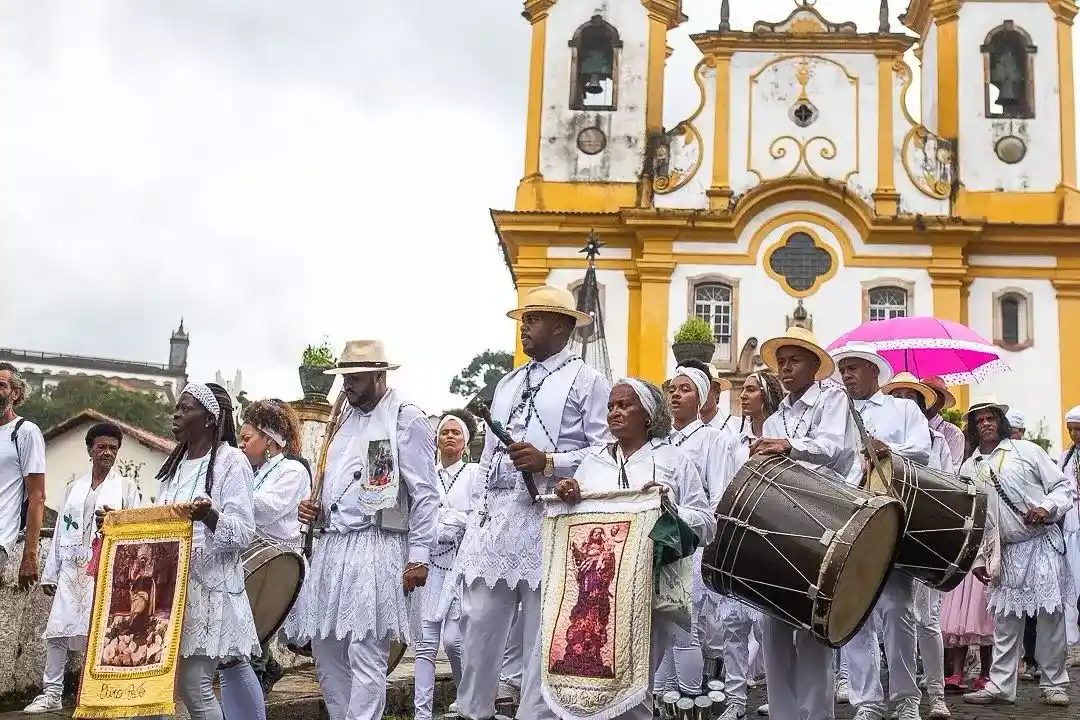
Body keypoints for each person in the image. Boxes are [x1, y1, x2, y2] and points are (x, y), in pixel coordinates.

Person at [454, 285, 610, 720]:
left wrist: (550, 462)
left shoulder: (588, 381)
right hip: (499, 517)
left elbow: (605, 452)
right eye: (524, 320)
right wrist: (478, 513)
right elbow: (486, 457)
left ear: (561, 327)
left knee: (545, 628)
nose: (525, 328)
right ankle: (473, 710)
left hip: (554, 515)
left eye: (534, 319)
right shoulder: (506, 382)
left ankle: (536, 714)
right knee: (480, 616)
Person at [289, 340, 439, 720]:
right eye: (344, 378)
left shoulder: (407, 419)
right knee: (325, 650)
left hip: (378, 544)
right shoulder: (342, 423)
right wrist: (316, 511)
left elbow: (425, 494)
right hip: (333, 545)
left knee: (365, 651)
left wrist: (418, 557)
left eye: (355, 377)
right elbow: (337, 489)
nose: (347, 386)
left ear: (379, 375)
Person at [554, 378, 714, 720]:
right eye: (611, 405)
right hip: (597, 597)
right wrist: (567, 494)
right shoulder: (593, 462)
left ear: (648, 414)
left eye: (625, 405)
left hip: (649, 591)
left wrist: (668, 506)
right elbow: (578, 525)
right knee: (593, 680)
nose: (615, 412)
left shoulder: (673, 460)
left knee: (636, 682)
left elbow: (706, 523)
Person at [750, 326, 854, 720]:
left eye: (794, 361)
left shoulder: (832, 401)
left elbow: (834, 449)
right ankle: (783, 713)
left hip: (824, 519)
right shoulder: (776, 417)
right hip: (782, 519)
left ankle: (815, 714)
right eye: (782, 362)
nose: (786, 368)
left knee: (813, 626)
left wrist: (788, 446)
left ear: (815, 366)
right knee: (773, 625)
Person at [146, 383, 262, 720]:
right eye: (177, 407)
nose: (177, 413)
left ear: (210, 418)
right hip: (171, 594)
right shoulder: (174, 468)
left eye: (186, 408)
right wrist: (117, 521)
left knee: (196, 687)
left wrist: (209, 515)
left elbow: (243, 531)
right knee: (175, 688)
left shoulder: (232, 462)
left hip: (208, 591)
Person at [833, 344, 930, 720]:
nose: (847, 376)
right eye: (843, 369)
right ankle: (867, 701)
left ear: (875, 372)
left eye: (854, 368)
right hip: (848, 517)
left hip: (893, 519)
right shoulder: (837, 414)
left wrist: (888, 449)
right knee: (855, 611)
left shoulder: (902, 408)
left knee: (896, 610)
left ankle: (906, 699)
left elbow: (922, 452)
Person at [961, 397, 1074, 707]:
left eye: (991, 418)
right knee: (1004, 621)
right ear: (973, 428)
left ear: (1002, 422)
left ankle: (1054, 683)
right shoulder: (970, 467)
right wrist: (981, 558)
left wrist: (1046, 507)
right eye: (979, 420)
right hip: (1004, 552)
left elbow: (1064, 488)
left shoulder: (1027, 451)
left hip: (1041, 543)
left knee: (1050, 617)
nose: (985, 423)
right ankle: (1000, 686)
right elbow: (975, 518)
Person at [23, 422, 141, 714]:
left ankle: (93, 694)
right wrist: (51, 572)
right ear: (90, 450)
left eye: (113, 448)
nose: (107, 453)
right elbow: (61, 531)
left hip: (104, 572)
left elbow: (138, 532)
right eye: (101, 447)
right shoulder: (73, 488)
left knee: (99, 633)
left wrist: (117, 522)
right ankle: (51, 694)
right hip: (71, 569)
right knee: (57, 632)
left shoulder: (127, 488)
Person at [882, 372, 954, 719]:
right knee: (896, 616)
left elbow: (949, 484)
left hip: (925, 534)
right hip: (888, 533)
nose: (904, 400)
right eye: (897, 394)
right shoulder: (878, 435)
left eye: (912, 396)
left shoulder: (938, 439)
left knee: (927, 619)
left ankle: (937, 696)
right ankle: (905, 698)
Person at [654, 360, 728, 697]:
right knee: (662, 623)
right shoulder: (661, 442)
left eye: (685, 390)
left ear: (700, 399)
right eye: (672, 389)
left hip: (694, 543)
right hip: (661, 542)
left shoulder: (712, 438)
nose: (676, 395)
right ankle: (662, 696)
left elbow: (721, 495)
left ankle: (688, 698)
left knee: (686, 625)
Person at [714, 370, 784, 720]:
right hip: (736, 537)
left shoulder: (783, 439)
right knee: (733, 625)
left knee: (767, 625)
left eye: (752, 390)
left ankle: (776, 692)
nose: (744, 395)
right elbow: (723, 486)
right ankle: (735, 699)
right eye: (744, 390)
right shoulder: (733, 443)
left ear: (767, 396)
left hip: (769, 540)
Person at [232, 398, 310, 695]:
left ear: (269, 440)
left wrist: (231, 500)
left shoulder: (292, 470)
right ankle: (264, 672)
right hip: (252, 559)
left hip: (277, 563)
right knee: (249, 637)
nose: (242, 444)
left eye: (247, 438)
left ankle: (258, 682)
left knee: (255, 636)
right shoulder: (252, 472)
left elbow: (269, 509)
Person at [413, 410, 479, 720]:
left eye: (456, 432)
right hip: (430, 565)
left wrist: (454, 521)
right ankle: (422, 714)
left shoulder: (474, 473)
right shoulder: (427, 473)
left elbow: (478, 515)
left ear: (466, 440)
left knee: (454, 641)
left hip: (461, 566)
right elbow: (419, 514)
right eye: (444, 432)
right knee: (425, 644)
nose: (449, 436)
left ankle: (466, 701)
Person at [0, 363, 46, 590]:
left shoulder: (25, 432)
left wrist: (29, 555)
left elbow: (37, 496)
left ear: (15, 393)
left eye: (1, 385)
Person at [1060, 406, 1080, 666]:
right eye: (1071, 430)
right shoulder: (1065, 457)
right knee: (1072, 583)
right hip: (1071, 526)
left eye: (1079, 429)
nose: (1075, 434)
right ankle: (1071, 642)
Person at [921, 377, 965, 468]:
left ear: (941, 403)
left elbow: (951, 473)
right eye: (923, 395)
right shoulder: (908, 427)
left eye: (933, 396)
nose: (927, 400)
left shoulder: (954, 434)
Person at [700, 363, 737, 437]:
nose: (701, 394)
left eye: (705, 388)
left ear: (717, 392)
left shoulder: (737, 427)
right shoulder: (681, 428)